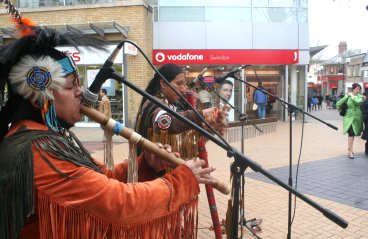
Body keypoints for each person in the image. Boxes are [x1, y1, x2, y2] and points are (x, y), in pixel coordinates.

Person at [0, 17, 216, 238]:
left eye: (79, 83)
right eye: (71, 85)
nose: (80, 92)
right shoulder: (37, 152)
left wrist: (147, 164)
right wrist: (183, 180)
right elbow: (118, 203)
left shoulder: (45, 138)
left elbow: (104, 177)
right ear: (39, 99)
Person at [135, 63, 227, 159]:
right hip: (154, 171)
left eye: (184, 84)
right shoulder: (153, 103)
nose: (183, 89)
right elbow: (166, 123)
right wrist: (201, 114)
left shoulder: (165, 102)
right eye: (179, 84)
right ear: (163, 83)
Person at [336, 83, 364, 159]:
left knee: (354, 133)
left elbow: (358, 102)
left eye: (359, 89)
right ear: (353, 89)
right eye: (357, 89)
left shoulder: (360, 97)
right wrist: (341, 110)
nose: (358, 90)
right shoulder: (347, 96)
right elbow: (338, 103)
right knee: (351, 133)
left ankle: (350, 148)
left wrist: (352, 96)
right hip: (348, 118)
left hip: (357, 118)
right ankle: (350, 152)